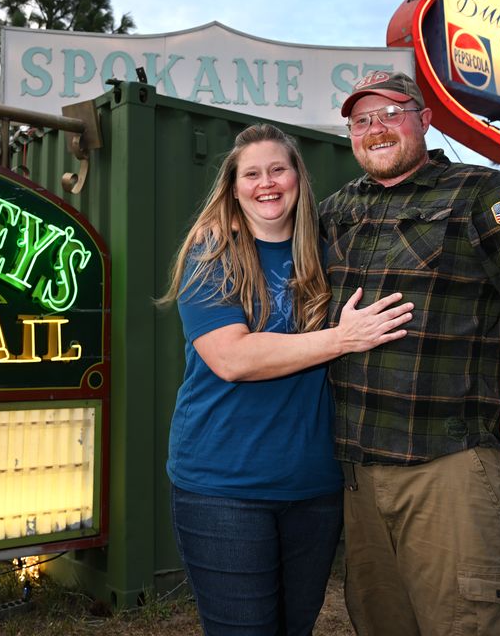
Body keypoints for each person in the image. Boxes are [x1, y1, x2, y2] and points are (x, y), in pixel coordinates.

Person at [319, 71, 500, 636]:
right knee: (381, 622)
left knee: (472, 622)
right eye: (361, 120)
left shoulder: (483, 192)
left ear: (424, 119)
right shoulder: (336, 209)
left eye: (391, 113)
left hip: (450, 464)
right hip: (358, 473)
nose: (376, 128)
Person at [161, 122, 414, 636]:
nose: (267, 183)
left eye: (278, 169)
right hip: (224, 484)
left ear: (299, 177)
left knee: (295, 627)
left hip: (314, 484)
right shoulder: (212, 256)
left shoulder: (329, 256)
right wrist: (342, 338)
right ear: (234, 189)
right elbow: (231, 358)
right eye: (252, 174)